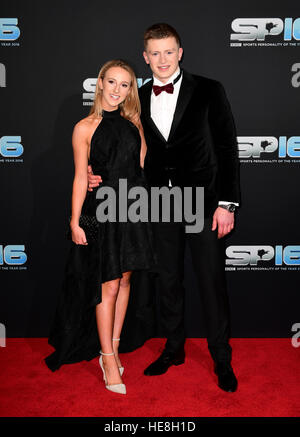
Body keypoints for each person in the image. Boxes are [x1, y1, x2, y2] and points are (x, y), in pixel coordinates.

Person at [88, 23, 240, 393]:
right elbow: (122, 146)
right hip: (159, 203)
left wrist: (227, 204)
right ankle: (173, 349)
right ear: (145, 57)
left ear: (180, 52)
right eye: (154, 53)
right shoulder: (135, 96)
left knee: (211, 281)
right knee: (168, 280)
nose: (162, 60)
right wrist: (97, 176)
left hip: (202, 201)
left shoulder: (208, 89)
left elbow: (226, 147)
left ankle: (221, 357)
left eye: (168, 52)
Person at [45, 59, 155, 395]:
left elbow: (139, 168)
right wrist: (74, 219)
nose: (117, 91)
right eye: (112, 82)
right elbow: (80, 176)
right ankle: (107, 358)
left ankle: (116, 344)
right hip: (104, 210)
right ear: (100, 83)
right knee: (107, 284)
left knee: (124, 281)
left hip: (133, 209)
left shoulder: (134, 122)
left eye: (125, 85)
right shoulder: (84, 127)